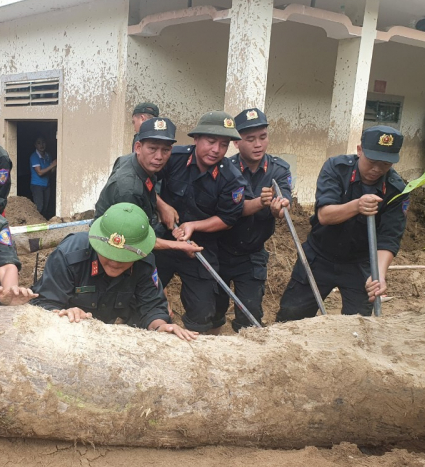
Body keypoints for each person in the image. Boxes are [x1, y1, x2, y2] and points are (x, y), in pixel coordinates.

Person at [276, 125, 408, 322]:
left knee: (357, 324)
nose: (377, 169)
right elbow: (325, 215)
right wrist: (357, 205)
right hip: (319, 256)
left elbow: (389, 238)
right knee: (291, 316)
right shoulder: (336, 168)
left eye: (385, 164)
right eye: (371, 161)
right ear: (359, 150)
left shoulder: (397, 189)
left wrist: (378, 274)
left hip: (360, 263)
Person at [31, 203, 197, 340]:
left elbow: (152, 306)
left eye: (124, 257)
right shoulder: (68, 255)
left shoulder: (145, 262)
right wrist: (64, 314)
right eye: (109, 253)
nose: (115, 262)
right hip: (67, 336)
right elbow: (43, 302)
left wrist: (160, 326)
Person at [154, 111, 248, 334]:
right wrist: (162, 206)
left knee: (203, 311)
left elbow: (228, 218)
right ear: (196, 139)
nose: (216, 150)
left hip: (200, 249)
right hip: (163, 241)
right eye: (211, 141)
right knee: (143, 289)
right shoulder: (173, 157)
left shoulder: (232, 178)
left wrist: (194, 226)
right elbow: (144, 180)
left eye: (224, 145)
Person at [219, 107, 292, 330]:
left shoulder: (278, 169)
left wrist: (279, 209)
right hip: (219, 251)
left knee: (250, 316)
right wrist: (260, 202)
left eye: (263, 137)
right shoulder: (224, 169)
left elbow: (283, 206)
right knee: (210, 312)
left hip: (252, 255)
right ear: (236, 142)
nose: (258, 144)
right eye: (250, 139)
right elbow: (229, 210)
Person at [94, 117, 198, 256]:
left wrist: (162, 206)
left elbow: (145, 188)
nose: (159, 156)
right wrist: (180, 245)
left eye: (166, 150)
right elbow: (134, 240)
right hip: (114, 248)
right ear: (138, 147)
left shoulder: (131, 160)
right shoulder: (129, 190)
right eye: (152, 148)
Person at [30, 136, 56, 216]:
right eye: (39, 143)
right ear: (35, 145)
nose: (41, 145)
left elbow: (50, 171)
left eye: (43, 142)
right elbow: (40, 172)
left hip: (46, 184)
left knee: (45, 208)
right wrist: (53, 165)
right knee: (39, 207)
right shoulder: (34, 157)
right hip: (37, 185)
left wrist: (53, 166)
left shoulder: (48, 156)